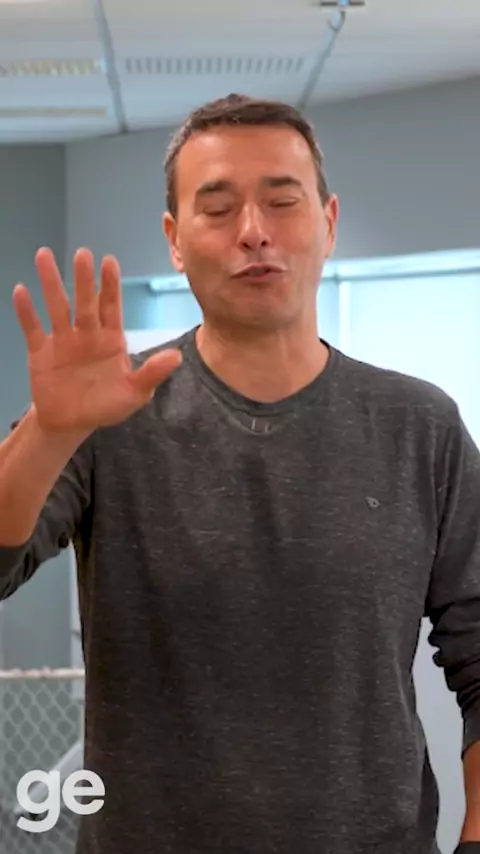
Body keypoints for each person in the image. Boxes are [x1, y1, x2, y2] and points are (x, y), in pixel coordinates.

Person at [0, 93, 479, 854]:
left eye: (282, 201)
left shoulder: (421, 427)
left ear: (328, 222)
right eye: (218, 209)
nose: (253, 231)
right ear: (174, 240)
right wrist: (51, 431)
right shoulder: (106, 414)